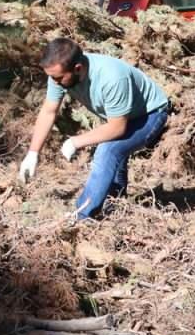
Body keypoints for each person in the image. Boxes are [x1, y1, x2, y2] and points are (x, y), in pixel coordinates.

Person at [18, 38, 170, 220]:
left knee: (108, 150)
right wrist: (33, 153)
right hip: (121, 117)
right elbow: (49, 111)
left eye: (58, 78)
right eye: (52, 77)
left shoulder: (111, 77)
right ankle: (116, 207)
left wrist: (75, 141)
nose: (55, 83)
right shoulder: (58, 75)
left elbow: (117, 128)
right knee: (114, 154)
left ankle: (82, 216)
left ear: (78, 69)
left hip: (150, 114)